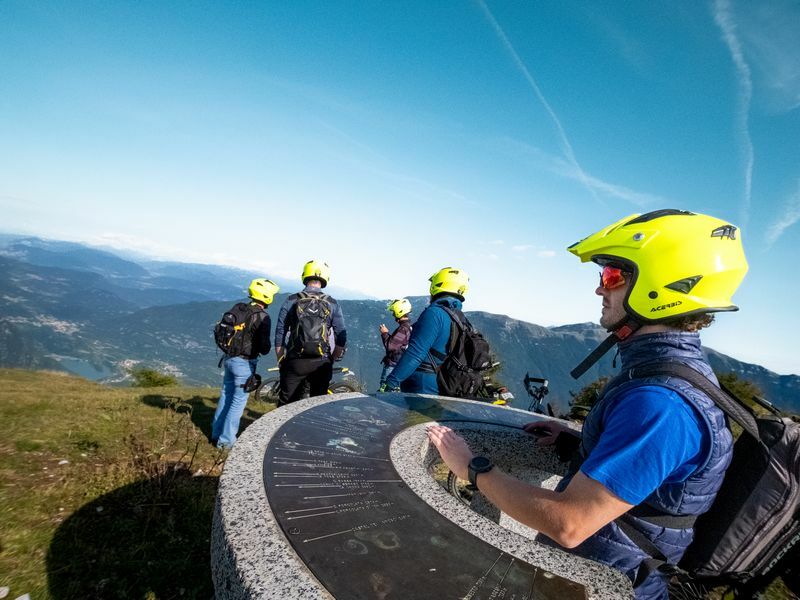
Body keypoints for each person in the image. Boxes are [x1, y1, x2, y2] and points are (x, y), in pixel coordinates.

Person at [428, 209, 748, 599]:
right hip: (598, 573)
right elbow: (648, 474)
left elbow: (570, 524)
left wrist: (473, 468)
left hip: (601, 586)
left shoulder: (661, 403)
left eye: (613, 275)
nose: (601, 289)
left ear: (660, 286)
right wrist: (576, 442)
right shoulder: (666, 374)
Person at [380, 267, 469, 394]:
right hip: (443, 381)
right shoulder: (459, 317)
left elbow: (416, 353)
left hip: (421, 384)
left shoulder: (435, 314)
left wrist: (391, 382)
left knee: (414, 414)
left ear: (436, 285)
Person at [211, 278, 278, 448]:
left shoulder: (240, 308)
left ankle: (215, 434)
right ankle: (226, 443)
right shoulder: (262, 317)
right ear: (267, 296)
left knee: (226, 395)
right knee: (237, 402)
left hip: (229, 358)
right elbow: (263, 348)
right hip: (244, 364)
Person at [274, 260, 347, 406]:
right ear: (325, 279)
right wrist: (332, 358)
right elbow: (341, 336)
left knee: (286, 404)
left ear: (305, 275)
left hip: (295, 360)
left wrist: (282, 359)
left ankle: (281, 428)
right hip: (322, 362)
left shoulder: (291, 300)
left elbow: (280, 332)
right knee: (316, 407)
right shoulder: (332, 303)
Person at [378, 298, 413, 388]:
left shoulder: (403, 329)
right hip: (398, 363)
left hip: (393, 365)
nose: (393, 315)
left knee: (384, 389)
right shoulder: (407, 326)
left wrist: (384, 333)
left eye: (394, 312)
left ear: (399, 312)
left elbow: (390, 346)